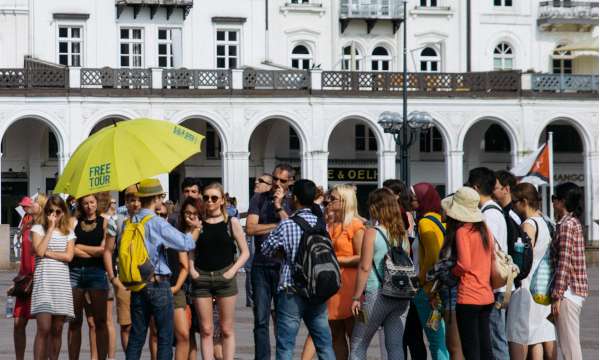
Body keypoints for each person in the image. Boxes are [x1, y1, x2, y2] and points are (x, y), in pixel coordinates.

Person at [124, 178, 200, 360]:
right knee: (165, 336)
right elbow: (185, 243)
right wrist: (196, 228)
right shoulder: (156, 222)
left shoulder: (132, 221)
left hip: (137, 284)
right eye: (161, 197)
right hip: (158, 284)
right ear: (157, 198)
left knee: (136, 336)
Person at [261, 179, 335, 360]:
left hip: (291, 288)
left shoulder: (287, 225)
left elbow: (266, 249)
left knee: (286, 346)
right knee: (324, 345)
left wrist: (283, 254)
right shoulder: (321, 224)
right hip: (317, 289)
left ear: (295, 198)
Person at [302, 184, 365, 360]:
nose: (329, 201)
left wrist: (336, 259)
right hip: (331, 284)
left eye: (333, 198)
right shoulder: (330, 224)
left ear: (345, 202)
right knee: (336, 334)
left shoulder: (356, 225)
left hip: (349, 285)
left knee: (354, 335)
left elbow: (362, 257)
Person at [188, 183, 249, 360]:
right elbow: (190, 249)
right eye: (206, 197)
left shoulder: (232, 222)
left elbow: (245, 252)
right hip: (202, 278)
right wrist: (192, 270)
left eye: (214, 198)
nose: (210, 201)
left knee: (226, 328)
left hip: (225, 277)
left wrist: (233, 271)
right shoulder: (198, 223)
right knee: (206, 329)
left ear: (222, 200)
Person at [350, 188, 411, 360]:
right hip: (400, 296)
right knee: (395, 346)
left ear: (375, 207)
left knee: (358, 345)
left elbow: (364, 267)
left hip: (376, 295)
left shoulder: (372, 233)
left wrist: (356, 297)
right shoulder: (402, 234)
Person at [246, 164, 295, 360]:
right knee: (260, 320)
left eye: (282, 181)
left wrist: (279, 206)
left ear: (290, 181)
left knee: (284, 320)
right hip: (261, 266)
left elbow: (294, 229)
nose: (277, 184)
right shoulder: (259, 198)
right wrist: (278, 226)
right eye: (275, 179)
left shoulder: (294, 201)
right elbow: (250, 228)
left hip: (285, 267)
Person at [441, 186, 494, 360]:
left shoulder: (462, 232)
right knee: (485, 348)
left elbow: (464, 264)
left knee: (471, 349)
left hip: (468, 296)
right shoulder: (485, 230)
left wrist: (451, 272)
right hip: (487, 295)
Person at [507, 182, 557, 360]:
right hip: (544, 284)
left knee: (518, 332)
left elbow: (523, 259)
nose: (513, 206)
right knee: (540, 333)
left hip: (527, 284)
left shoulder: (528, 224)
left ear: (524, 202)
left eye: (514, 202)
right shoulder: (547, 222)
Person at [467, 167, 509, 360]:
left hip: (494, 286)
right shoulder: (491, 211)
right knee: (491, 339)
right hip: (492, 285)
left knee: (495, 340)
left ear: (475, 188)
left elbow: (486, 249)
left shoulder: (489, 214)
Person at [382, 179, 424, 360]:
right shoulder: (404, 216)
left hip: (404, 280)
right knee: (406, 333)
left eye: (388, 193)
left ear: (397, 195)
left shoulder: (401, 216)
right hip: (407, 279)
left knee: (408, 332)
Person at [31, 195, 76, 360]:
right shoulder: (38, 229)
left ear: (63, 212)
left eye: (58, 211)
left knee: (57, 329)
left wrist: (47, 254)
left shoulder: (69, 233)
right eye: (50, 211)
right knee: (44, 328)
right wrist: (50, 229)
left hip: (61, 285)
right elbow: (39, 250)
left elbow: (69, 257)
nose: (54, 215)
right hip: (44, 283)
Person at [68, 194, 110, 360]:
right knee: (74, 321)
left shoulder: (104, 221)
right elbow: (70, 249)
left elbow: (103, 249)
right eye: (85, 203)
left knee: (100, 321)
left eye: (92, 202)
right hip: (75, 272)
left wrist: (80, 247)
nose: (89, 206)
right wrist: (88, 252)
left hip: (97, 273)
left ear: (97, 203)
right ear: (80, 204)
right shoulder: (73, 222)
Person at [412, 183, 450, 360]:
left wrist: (420, 279)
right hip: (442, 285)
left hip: (428, 289)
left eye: (414, 199)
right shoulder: (441, 219)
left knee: (436, 340)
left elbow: (432, 254)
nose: (412, 202)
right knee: (443, 337)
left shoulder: (425, 222)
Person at [149, 200, 192, 360]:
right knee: (155, 333)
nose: (160, 217)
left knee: (183, 334)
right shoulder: (148, 233)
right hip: (155, 287)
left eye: (163, 215)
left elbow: (184, 266)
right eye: (157, 214)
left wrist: (176, 287)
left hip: (175, 288)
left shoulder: (173, 232)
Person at [551, 182, 588, 360]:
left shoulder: (567, 225)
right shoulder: (572, 222)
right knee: (569, 344)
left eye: (554, 199)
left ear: (562, 201)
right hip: (573, 291)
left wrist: (557, 295)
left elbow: (564, 262)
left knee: (569, 346)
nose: (552, 203)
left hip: (568, 292)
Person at [103, 185, 140, 352]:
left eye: (139, 200)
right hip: (124, 279)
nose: (136, 204)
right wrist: (113, 278)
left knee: (150, 327)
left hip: (147, 279)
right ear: (126, 202)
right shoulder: (116, 221)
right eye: (132, 200)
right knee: (126, 324)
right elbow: (108, 251)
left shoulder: (150, 219)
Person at [12, 194, 47, 360]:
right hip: (24, 279)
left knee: (43, 328)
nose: (29, 204)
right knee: (18, 323)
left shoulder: (45, 227)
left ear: (41, 206)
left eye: (33, 202)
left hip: (39, 279)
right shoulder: (26, 224)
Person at [245, 174, 273, 308]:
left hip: (279, 263)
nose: (256, 182)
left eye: (260, 181)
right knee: (261, 311)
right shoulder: (256, 199)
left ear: (270, 186)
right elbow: (250, 228)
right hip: (260, 261)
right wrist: (277, 226)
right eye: (256, 180)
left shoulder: (284, 202)